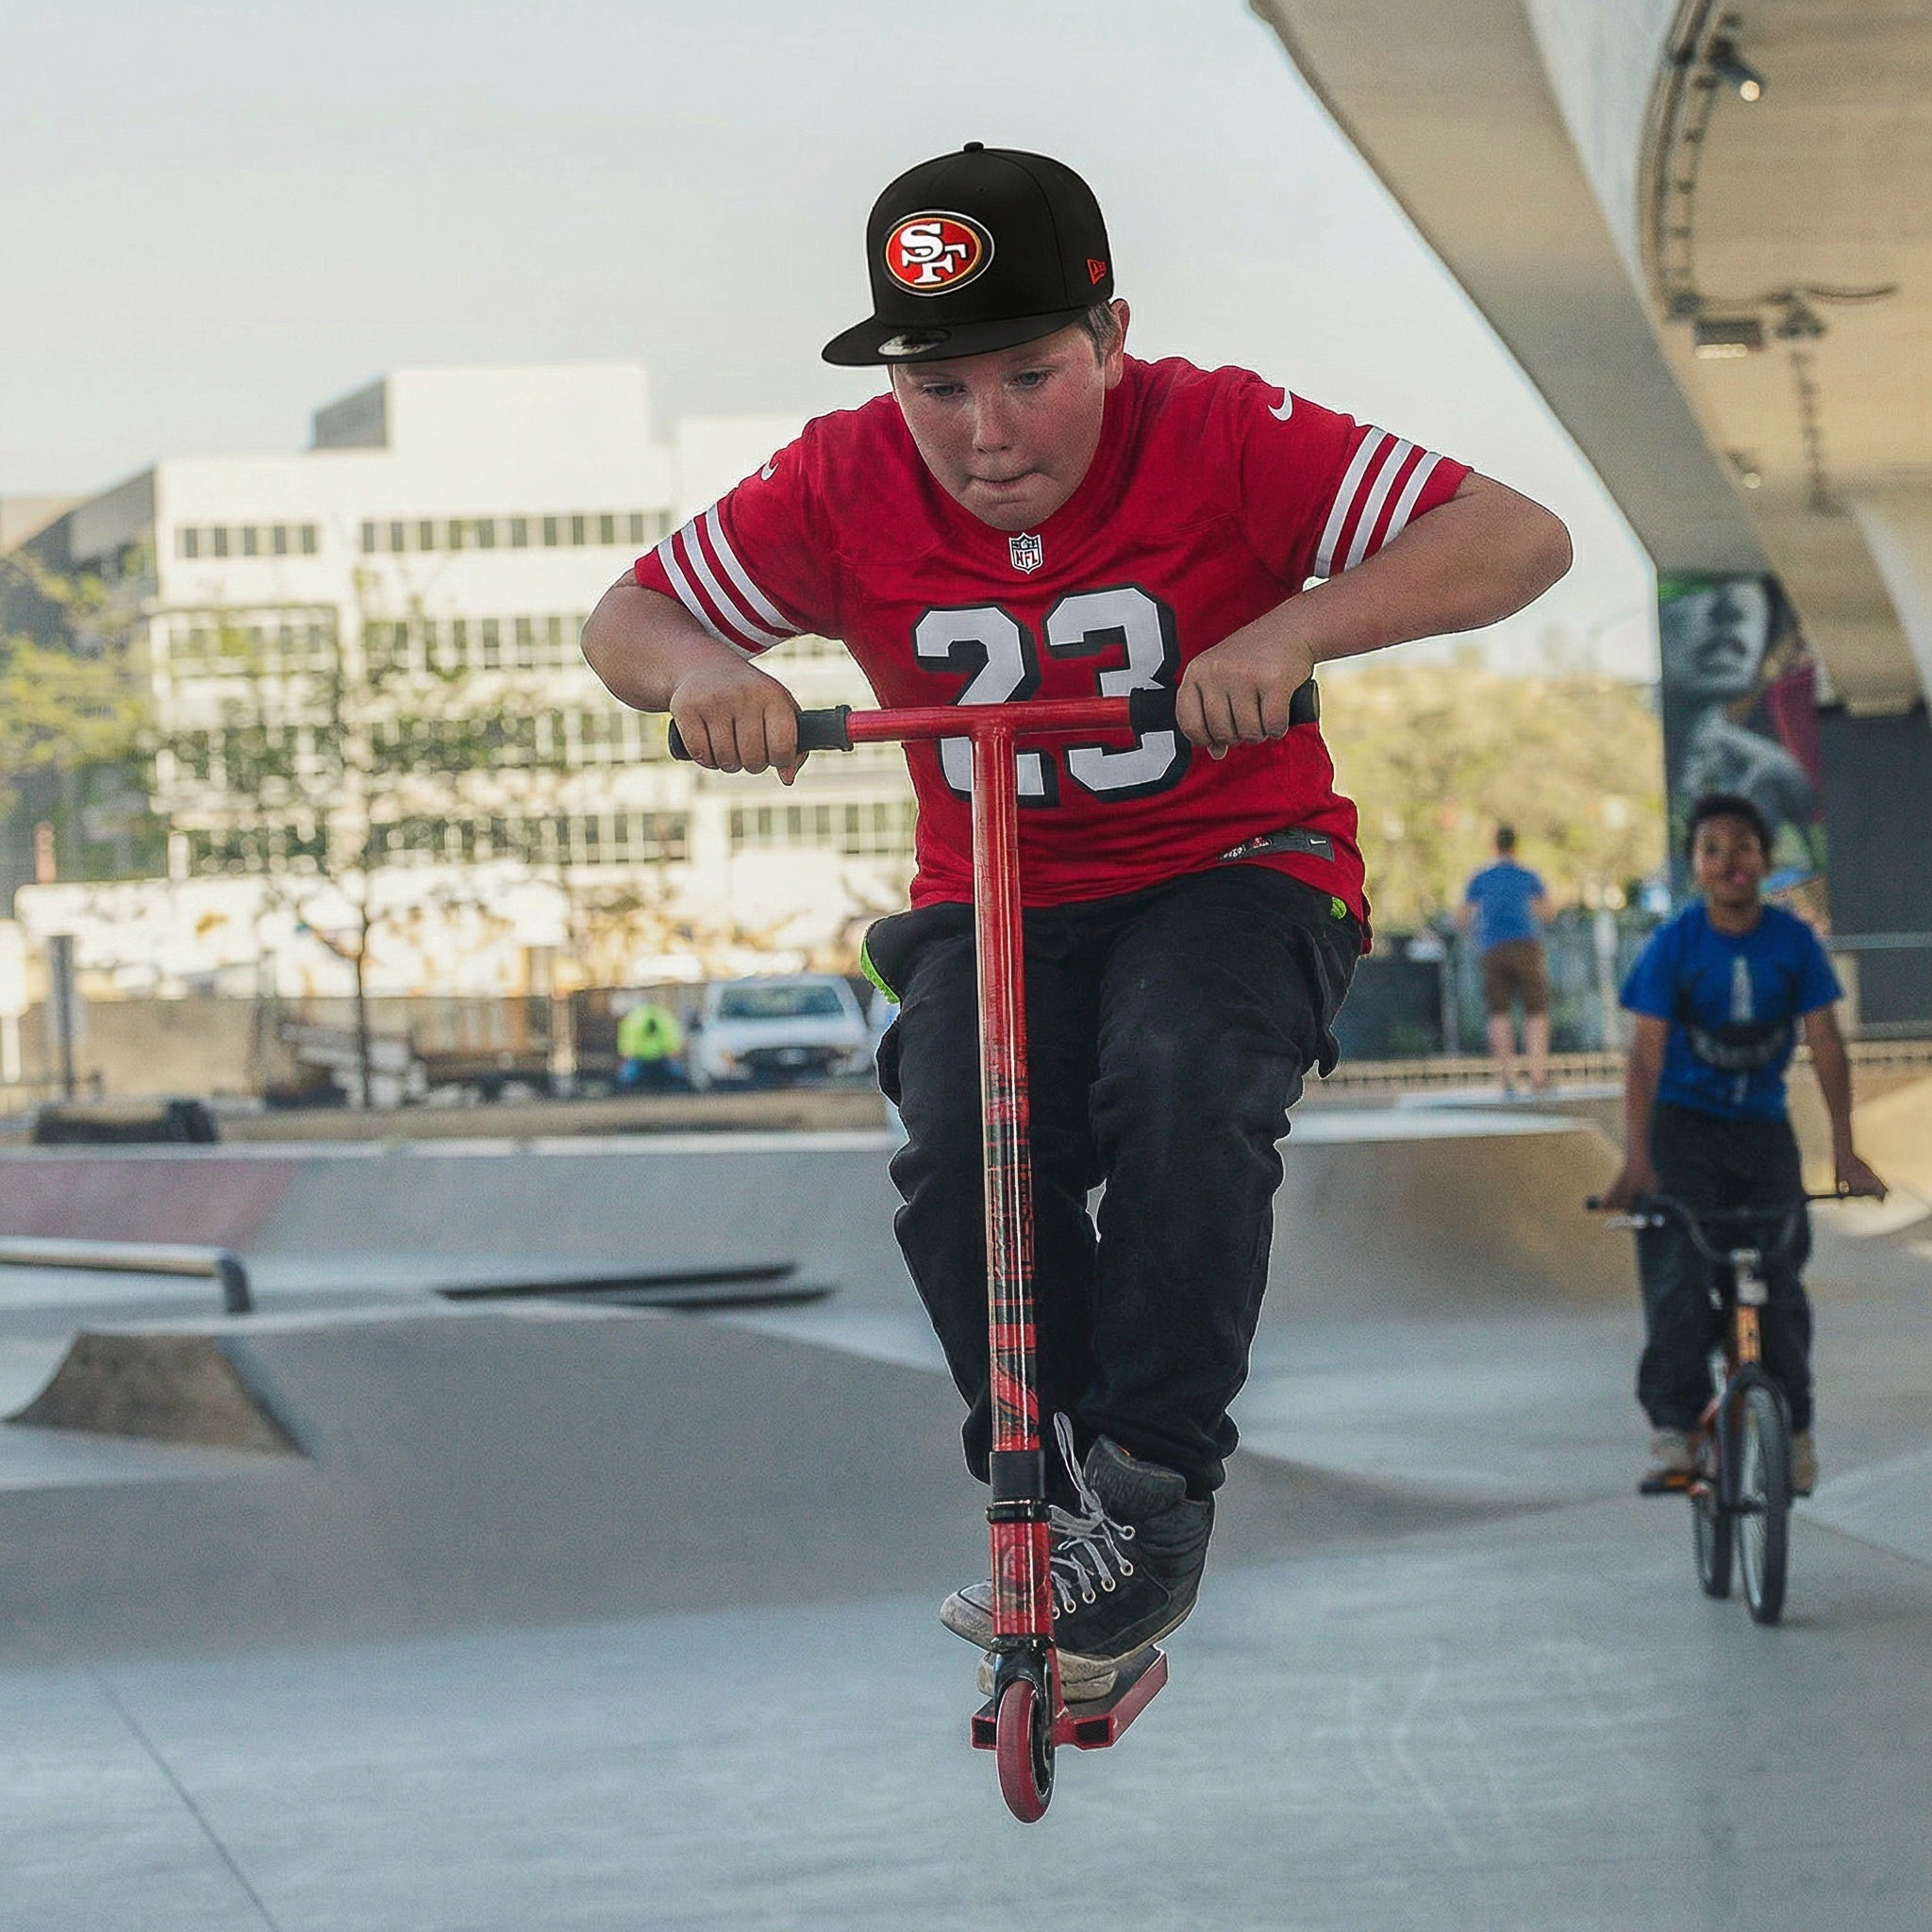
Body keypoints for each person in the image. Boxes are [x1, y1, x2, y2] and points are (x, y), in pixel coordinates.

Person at [582, 144, 1571, 1696]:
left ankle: (1154, 1488)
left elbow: (1516, 538)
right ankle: (1045, 1500)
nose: (986, 437)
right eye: (940, 390)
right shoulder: (840, 476)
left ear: (1111, 338)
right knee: (962, 1139)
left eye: (1030, 378)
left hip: (1233, 867)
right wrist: (708, 670)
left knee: (1180, 1076)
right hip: (998, 897)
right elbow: (629, 617)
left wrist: (1290, 629)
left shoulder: (1220, 431)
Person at [1599, 791, 1886, 1495]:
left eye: (1744, 847)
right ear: (1695, 866)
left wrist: (1845, 1151)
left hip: (1762, 1136)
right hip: (1684, 1134)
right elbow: (1645, 1058)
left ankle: (1793, 1429)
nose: (1730, 860)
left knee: (1779, 1288)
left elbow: (1826, 1044)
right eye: (1713, 849)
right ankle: (1676, 1430)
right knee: (1678, 1280)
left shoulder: (1793, 944)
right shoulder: (1675, 944)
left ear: (1764, 860)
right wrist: (1637, 1161)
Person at [1458, 824, 1554, 1094]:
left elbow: (1462, 916)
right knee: (1536, 1011)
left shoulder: (1480, 877)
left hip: (1492, 949)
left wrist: (1476, 935)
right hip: (1525, 946)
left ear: (1494, 846)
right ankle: (1537, 1075)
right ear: (1515, 846)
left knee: (1498, 1012)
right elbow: (1547, 911)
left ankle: (1506, 1077)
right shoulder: (1527, 875)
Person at [615, 997, 685, 1091]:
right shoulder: (664, 1016)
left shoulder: (634, 1017)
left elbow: (627, 1043)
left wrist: (627, 1052)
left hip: (650, 1058)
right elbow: (672, 1039)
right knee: (678, 1076)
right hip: (651, 1058)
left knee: (626, 1077)